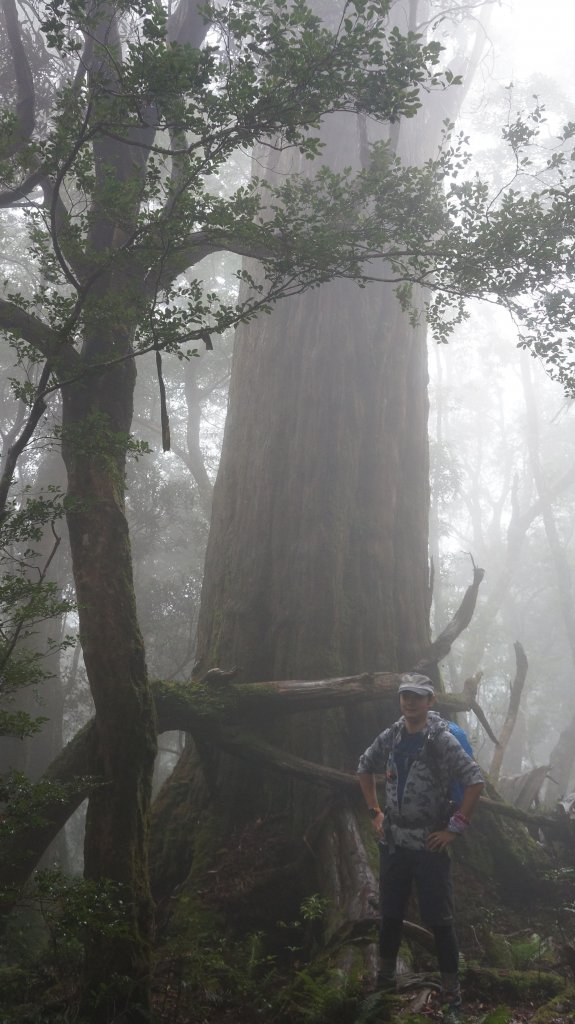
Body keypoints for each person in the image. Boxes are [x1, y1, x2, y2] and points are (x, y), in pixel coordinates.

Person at [357, 673, 484, 1023]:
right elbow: (364, 767)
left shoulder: (441, 739)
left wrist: (454, 829)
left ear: (430, 701)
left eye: (417, 696)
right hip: (395, 843)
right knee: (391, 916)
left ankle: (452, 999)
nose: (410, 702)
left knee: (441, 922)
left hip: (430, 844)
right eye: (404, 696)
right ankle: (384, 984)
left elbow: (475, 781)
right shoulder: (393, 734)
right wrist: (375, 813)